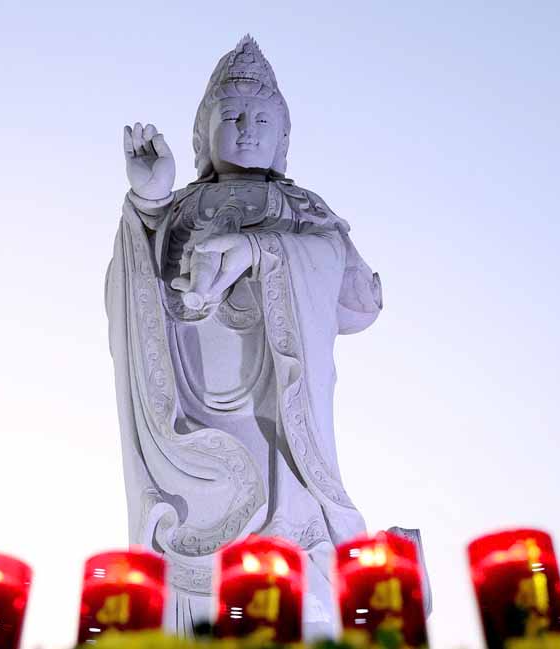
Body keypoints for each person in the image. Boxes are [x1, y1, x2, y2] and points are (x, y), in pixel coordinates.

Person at [105, 35, 383, 639]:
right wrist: (149, 201)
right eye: (231, 116)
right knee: (198, 522)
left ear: (283, 137)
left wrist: (263, 250)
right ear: (203, 134)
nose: (247, 130)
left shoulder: (301, 206)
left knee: (287, 518)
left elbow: (359, 301)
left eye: (262, 119)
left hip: (282, 398)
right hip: (193, 396)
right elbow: (139, 285)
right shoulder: (178, 207)